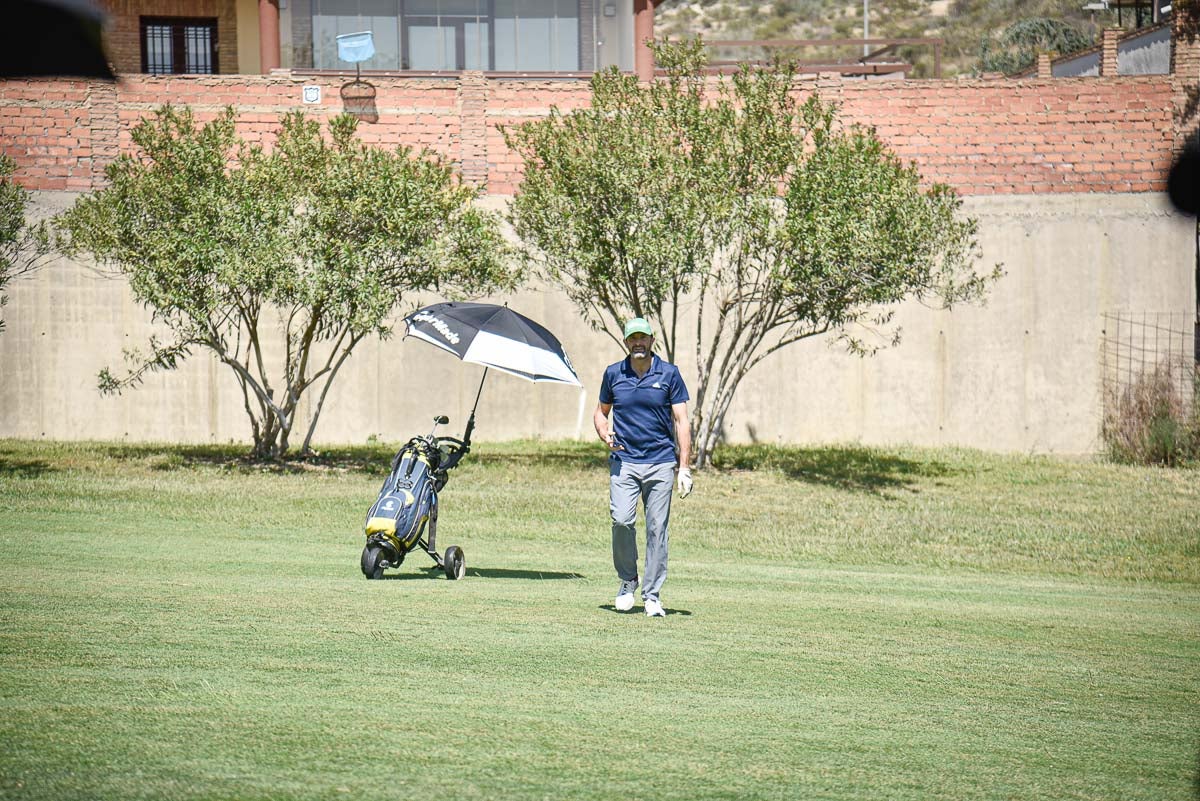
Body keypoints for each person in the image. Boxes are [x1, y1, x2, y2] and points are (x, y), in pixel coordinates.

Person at [593, 317, 692, 617]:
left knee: (657, 529)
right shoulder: (613, 374)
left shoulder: (670, 374)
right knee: (622, 520)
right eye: (632, 338)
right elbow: (601, 413)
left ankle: (651, 595)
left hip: (661, 462)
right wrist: (603, 431)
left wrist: (684, 467)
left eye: (643, 338)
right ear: (626, 343)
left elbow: (682, 421)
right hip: (624, 461)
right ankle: (627, 581)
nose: (638, 343)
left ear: (651, 341)